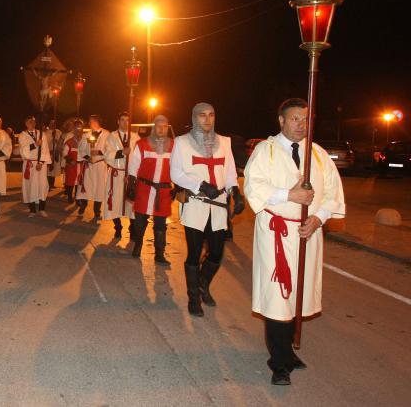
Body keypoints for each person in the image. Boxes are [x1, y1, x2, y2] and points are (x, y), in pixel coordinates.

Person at [244, 98, 345, 386]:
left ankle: (287, 351)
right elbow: (254, 185)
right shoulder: (266, 151)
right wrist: (289, 195)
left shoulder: (318, 154)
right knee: (278, 297)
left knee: (298, 296)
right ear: (281, 121)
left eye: (305, 119)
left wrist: (319, 218)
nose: (301, 125)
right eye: (294, 119)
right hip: (277, 233)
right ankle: (279, 363)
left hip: (307, 234)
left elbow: (333, 192)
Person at [171, 103, 244, 318]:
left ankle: (202, 283)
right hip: (196, 204)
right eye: (202, 115)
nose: (207, 119)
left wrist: (236, 193)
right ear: (194, 117)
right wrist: (201, 185)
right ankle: (194, 297)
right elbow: (176, 173)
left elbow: (229, 171)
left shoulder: (224, 143)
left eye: (211, 115)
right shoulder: (182, 142)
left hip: (219, 205)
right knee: (194, 254)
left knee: (217, 252)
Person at [127, 114, 173, 263]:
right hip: (144, 188)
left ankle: (159, 254)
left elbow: (178, 168)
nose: (161, 129)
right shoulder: (142, 144)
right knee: (140, 221)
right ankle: (138, 244)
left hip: (163, 191)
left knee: (160, 224)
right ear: (154, 127)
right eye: (159, 126)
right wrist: (131, 185)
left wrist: (178, 187)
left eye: (165, 126)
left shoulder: (173, 146)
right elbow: (134, 165)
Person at [104, 112, 140, 238]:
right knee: (115, 201)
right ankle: (118, 227)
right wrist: (121, 152)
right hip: (116, 174)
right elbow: (107, 154)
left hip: (130, 175)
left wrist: (132, 173)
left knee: (131, 202)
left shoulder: (135, 137)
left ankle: (133, 228)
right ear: (118, 121)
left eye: (127, 120)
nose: (125, 123)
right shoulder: (112, 137)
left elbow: (139, 156)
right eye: (123, 120)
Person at [76, 114, 109, 222]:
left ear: (96, 122)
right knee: (86, 187)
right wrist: (87, 157)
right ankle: (83, 206)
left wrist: (98, 152)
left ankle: (97, 212)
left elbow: (110, 150)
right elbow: (81, 149)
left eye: (90, 121)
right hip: (89, 166)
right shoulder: (86, 135)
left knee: (99, 189)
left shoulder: (107, 134)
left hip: (100, 166)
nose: (89, 123)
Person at [19, 116, 51, 217]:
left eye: (33, 122)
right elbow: (23, 150)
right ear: (26, 124)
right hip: (30, 164)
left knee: (42, 185)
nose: (32, 124)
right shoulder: (22, 135)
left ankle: (42, 208)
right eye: (29, 122)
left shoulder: (41, 134)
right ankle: (32, 210)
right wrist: (35, 145)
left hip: (40, 164)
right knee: (30, 186)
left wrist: (41, 163)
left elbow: (45, 150)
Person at [62, 118, 83, 205]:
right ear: (74, 129)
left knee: (79, 183)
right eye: (77, 128)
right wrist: (70, 161)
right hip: (71, 166)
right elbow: (64, 154)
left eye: (80, 128)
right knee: (70, 182)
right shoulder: (69, 142)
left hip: (80, 166)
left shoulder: (84, 140)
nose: (78, 130)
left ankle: (78, 198)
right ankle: (70, 196)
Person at [45, 119, 63, 190]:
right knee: (49, 170)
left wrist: (57, 141)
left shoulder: (58, 132)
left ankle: (52, 184)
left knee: (54, 169)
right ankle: (48, 185)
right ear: (49, 124)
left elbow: (62, 141)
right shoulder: (46, 132)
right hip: (49, 152)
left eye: (54, 124)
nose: (53, 125)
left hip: (56, 153)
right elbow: (44, 143)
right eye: (51, 124)